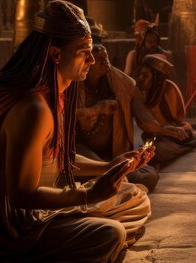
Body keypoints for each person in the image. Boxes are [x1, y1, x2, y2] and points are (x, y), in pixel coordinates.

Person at [0, 0, 152, 262]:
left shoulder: (53, 94)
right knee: (110, 234)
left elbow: (56, 159)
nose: (92, 59)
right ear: (55, 54)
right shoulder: (33, 109)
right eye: (83, 51)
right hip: (6, 226)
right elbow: (21, 195)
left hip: (29, 209)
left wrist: (110, 166)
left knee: (134, 195)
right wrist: (89, 194)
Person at [76, 44, 181, 191]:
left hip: (113, 155)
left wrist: (166, 131)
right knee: (75, 160)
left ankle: (109, 177)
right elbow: (60, 118)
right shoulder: (73, 85)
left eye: (105, 57)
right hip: (83, 153)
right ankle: (110, 176)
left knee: (150, 177)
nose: (104, 61)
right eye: (98, 58)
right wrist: (94, 111)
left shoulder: (123, 85)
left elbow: (146, 120)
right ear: (87, 61)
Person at [137, 54, 196, 164]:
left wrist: (166, 130)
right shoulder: (139, 94)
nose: (140, 79)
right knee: (152, 149)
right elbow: (145, 124)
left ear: (156, 77)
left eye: (145, 76)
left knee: (157, 151)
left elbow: (174, 121)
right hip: (158, 135)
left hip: (172, 135)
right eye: (140, 75)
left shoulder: (168, 89)